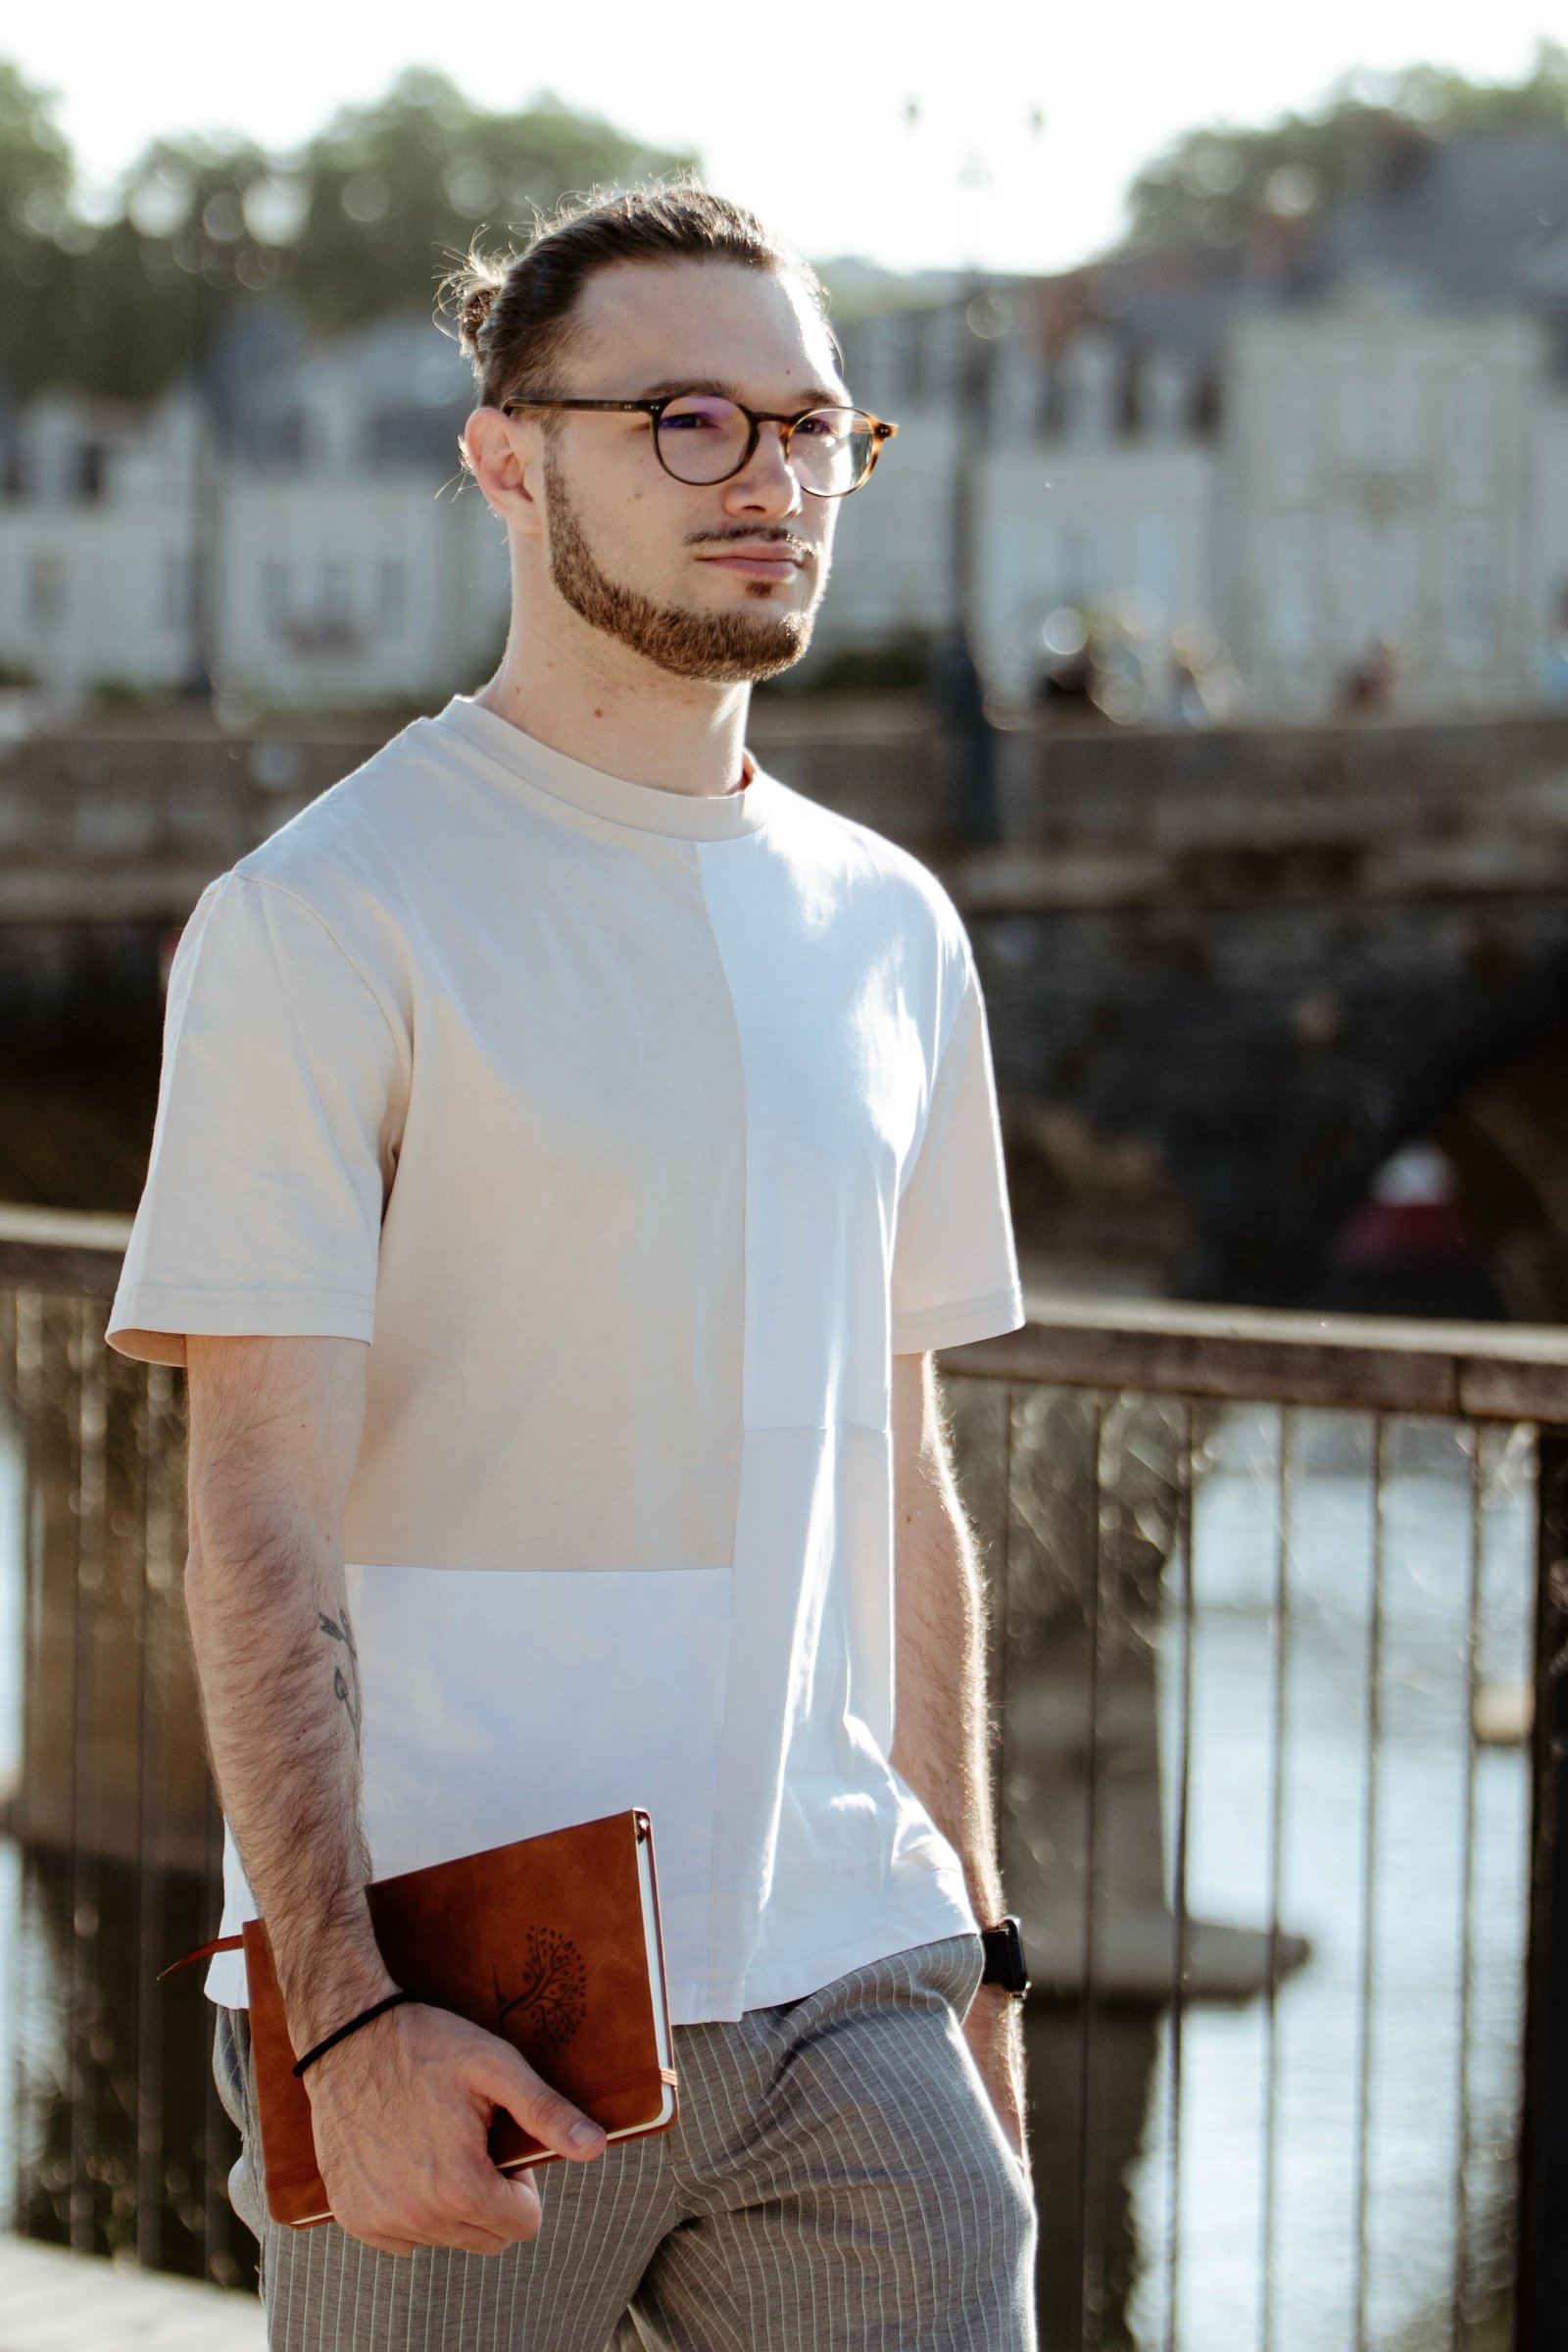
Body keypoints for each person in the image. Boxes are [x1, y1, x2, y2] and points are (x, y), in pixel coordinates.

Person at [109, 184, 1037, 2351]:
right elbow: (254, 1520)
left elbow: (895, 1482)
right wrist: (341, 2026)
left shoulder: (891, 925)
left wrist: (976, 1976)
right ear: (506, 456)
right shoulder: (326, 915)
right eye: (690, 423)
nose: (774, 485)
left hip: (846, 1989)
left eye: (813, 429)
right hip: (468, 1995)